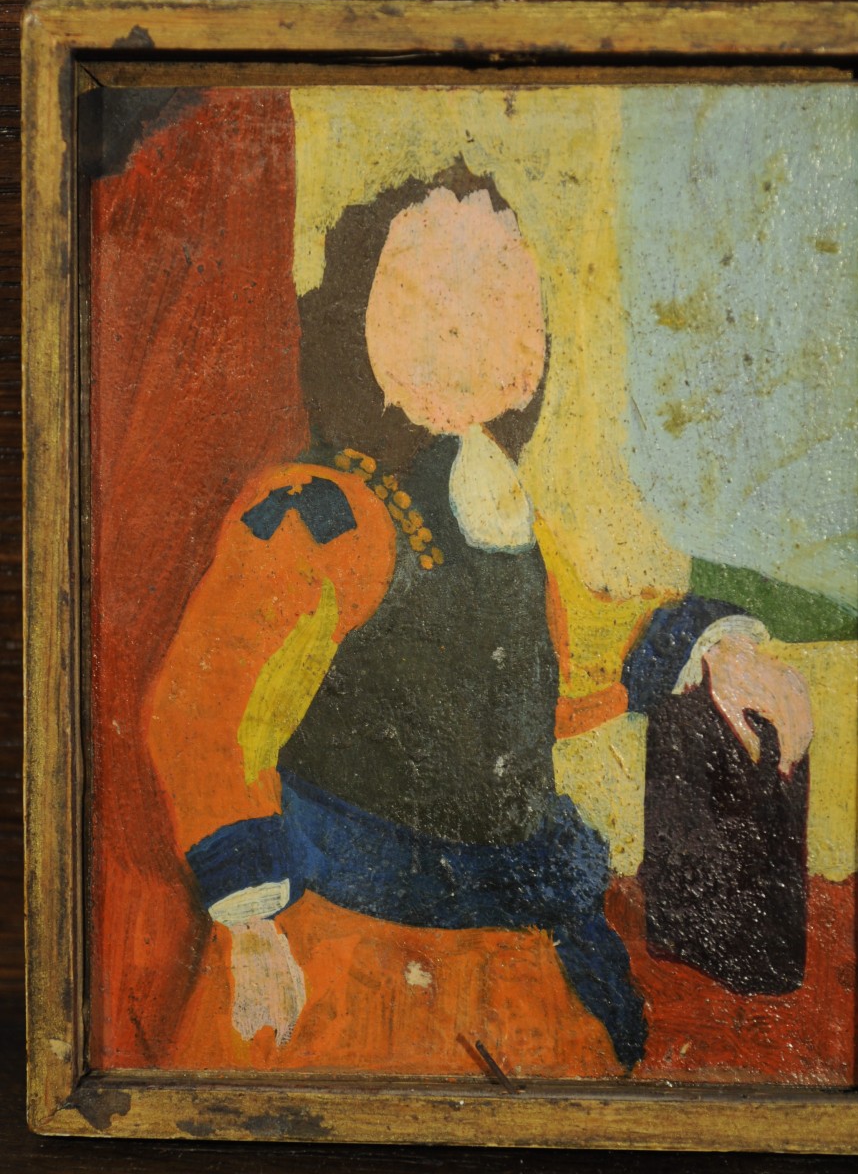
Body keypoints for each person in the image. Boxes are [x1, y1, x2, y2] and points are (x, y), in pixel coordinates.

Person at [147, 162, 812, 1075]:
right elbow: (201, 712)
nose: (472, 315)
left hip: (518, 931)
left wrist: (716, 650)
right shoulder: (315, 514)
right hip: (349, 936)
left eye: (504, 279)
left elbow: (567, 662)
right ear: (359, 323)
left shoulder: (500, 505)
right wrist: (252, 928)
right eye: (432, 284)